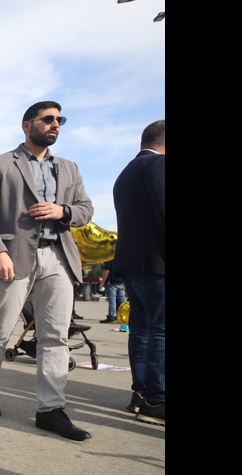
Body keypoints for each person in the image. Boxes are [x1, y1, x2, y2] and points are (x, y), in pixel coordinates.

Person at [0, 100, 94, 441]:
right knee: (0, 328)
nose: (55, 124)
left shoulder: (69, 168)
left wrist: (61, 210)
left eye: (60, 120)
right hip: (14, 258)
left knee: (55, 335)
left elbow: (86, 210)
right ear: (26, 125)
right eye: (48, 119)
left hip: (58, 257)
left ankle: (50, 409)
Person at [112, 120, 165, 426]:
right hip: (157, 264)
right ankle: (157, 397)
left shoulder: (126, 172)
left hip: (134, 265)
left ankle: (142, 393)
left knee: (143, 330)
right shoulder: (157, 165)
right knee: (158, 331)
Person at [98, 259, 125, 324]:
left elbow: (107, 271)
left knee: (112, 300)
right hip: (121, 281)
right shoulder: (121, 258)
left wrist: (102, 282)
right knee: (122, 300)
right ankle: (123, 316)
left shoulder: (109, 259)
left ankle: (111, 316)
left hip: (111, 282)